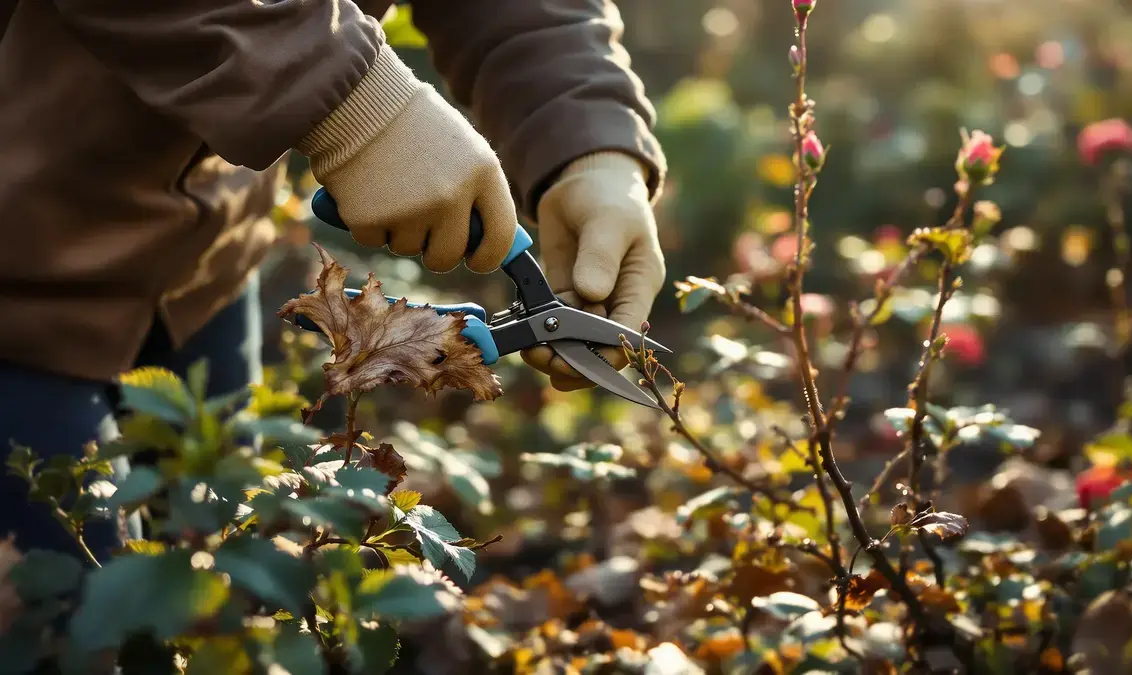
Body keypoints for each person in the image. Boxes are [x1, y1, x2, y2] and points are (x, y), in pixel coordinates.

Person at [0, 0, 667, 561]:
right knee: (64, 632)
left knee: (210, 589)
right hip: (17, 302)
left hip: (198, 271)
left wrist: (587, 140)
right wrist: (359, 106)